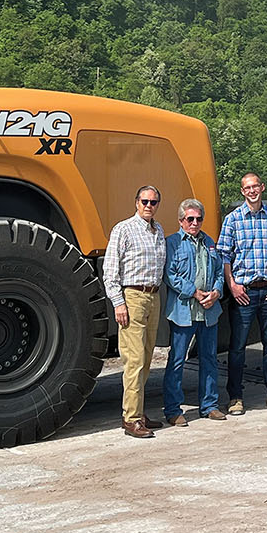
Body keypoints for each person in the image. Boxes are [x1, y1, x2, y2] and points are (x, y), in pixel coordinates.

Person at [219, 172, 267, 414]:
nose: (252, 191)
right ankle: (235, 397)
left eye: (255, 186)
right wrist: (232, 285)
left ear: (262, 187)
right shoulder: (233, 220)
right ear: (242, 191)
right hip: (244, 293)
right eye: (247, 188)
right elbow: (224, 255)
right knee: (238, 347)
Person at [103, 184, 168, 438]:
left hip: (153, 296)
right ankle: (130, 419)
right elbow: (111, 270)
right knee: (134, 360)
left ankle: (139, 412)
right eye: (145, 201)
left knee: (148, 357)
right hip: (133, 296)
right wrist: (118, 303)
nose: (149, 206)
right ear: (136, 202)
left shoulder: (158, 230)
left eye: (153, 202)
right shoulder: (123, 229)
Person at [162, 198, 227, 425]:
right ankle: (173, 410)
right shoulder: (172, 243)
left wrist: (216, 292)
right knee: (177, 361)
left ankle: (209, 405)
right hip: (183, 311)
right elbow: (169, 274)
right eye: (190, 219)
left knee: (209, 359)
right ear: (181, 221)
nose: (195, 222)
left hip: (208, 312)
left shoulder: (209, 243)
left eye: (199, 219)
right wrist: (194, 292)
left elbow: (219, 272)